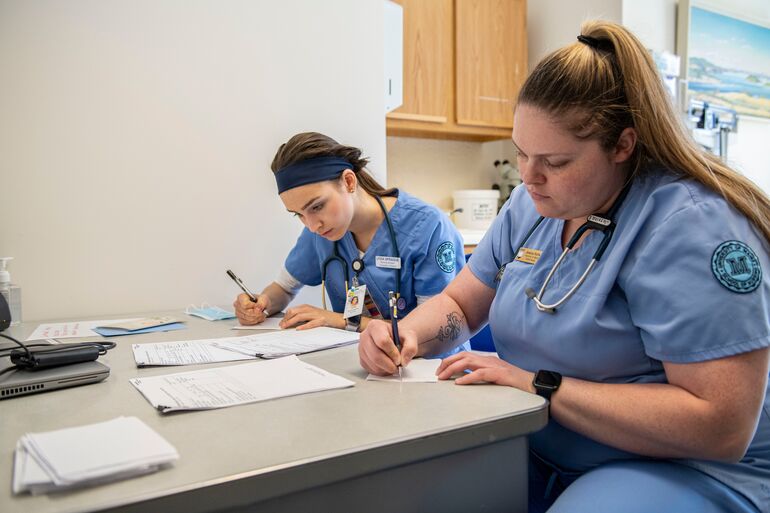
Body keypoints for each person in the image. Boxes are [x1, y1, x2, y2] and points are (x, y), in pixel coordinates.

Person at [358, 20, 770, 513]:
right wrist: (405, 336)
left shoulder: (693, 227)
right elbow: (461, 304)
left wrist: (538, 384)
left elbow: (720, 426)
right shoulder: (531, 206)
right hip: (539, 437)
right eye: (521, 154)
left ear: (623, 145)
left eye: (554, 161)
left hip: (684, 468)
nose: (529, 177)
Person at [234, 132, 469, 357]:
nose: (312, 225)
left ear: (348, 181)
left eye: (316, 206)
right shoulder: (321, 232)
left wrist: (343, 321)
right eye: (299, 214)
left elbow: (430, 331)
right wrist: (260, 304)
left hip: (433, 370)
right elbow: (283, 289)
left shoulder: (428, 227)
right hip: (364, 366)